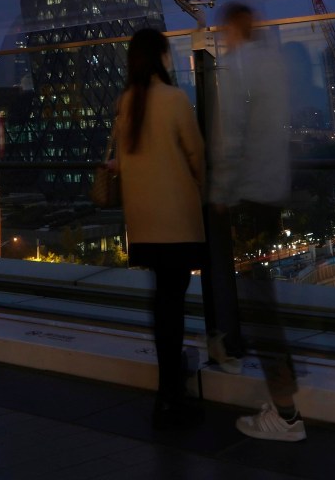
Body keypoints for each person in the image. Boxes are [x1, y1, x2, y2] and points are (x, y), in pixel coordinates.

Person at [210, 0, 305, 442]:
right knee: (260, 294)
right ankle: (280, 399)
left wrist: (219, 195)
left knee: (257, 301)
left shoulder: (235, 69)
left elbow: (229, 139)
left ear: (231, 27)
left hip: (245, 201)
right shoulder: (275, 64)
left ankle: (285, 414)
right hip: (271, 194)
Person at [112, 26, 207, 424]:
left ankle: (167, 389)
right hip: (176, 220)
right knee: (175, 299)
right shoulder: (174, 99)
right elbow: (197, 157)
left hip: (144, 223)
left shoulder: (126, 102)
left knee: (162, 302)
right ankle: (172, 389)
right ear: (162, 57)